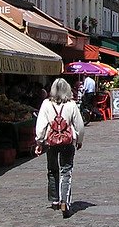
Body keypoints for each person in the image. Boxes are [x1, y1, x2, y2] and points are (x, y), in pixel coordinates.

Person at [35, 78, 85, 217]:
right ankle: (65, 201)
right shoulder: (71, 104)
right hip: (68, 142)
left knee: (52, 170)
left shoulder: (46, 104)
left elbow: (40, 126)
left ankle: (55, 200)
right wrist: (79, 140)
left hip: (51, 143)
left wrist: (39, 142)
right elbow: (79, 125)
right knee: (66, 171)